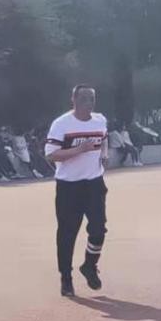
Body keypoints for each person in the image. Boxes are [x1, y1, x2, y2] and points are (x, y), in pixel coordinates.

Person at [44, 85, 110, 297]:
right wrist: (79, 149)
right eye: (83, 99)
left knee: (98, 229)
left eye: (92, 99)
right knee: (67, 233)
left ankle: (89, 265)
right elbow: (51, 155)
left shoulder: (100, 120)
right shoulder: (61, 124)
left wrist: (104, 154)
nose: (88, 103)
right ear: (73, 99)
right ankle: (66, 277)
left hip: (94, 183)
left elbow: (104, 138)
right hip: (69, 186)